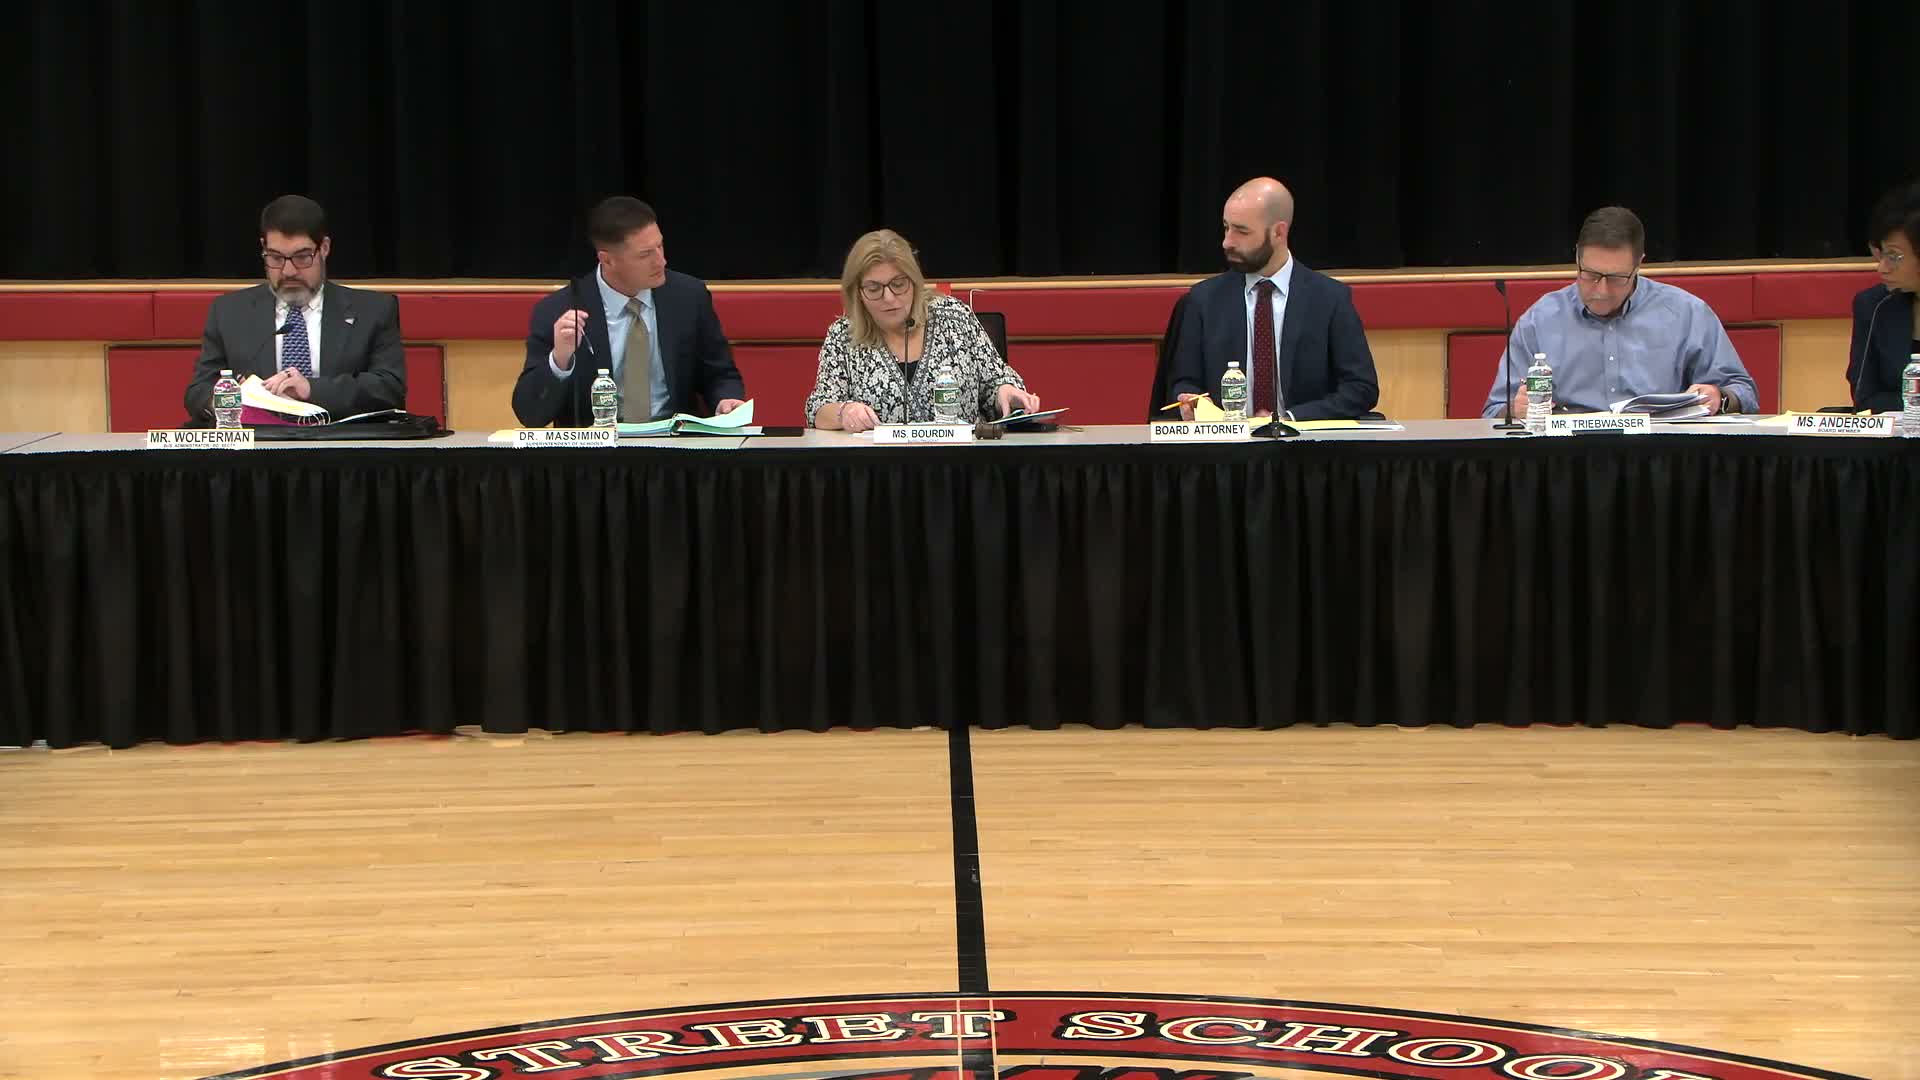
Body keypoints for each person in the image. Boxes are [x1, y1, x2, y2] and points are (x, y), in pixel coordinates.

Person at [1481, 206, 1757, 418]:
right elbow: (1494, 411)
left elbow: (1744, 392)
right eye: (1590, 274)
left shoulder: (1687, 313)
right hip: (1567, 458)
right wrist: (1515, 409)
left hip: (1660, 455)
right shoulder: (1539, 320)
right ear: (1577, 258)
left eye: (1616, 278)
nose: (1601, 290)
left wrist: (1719, 397)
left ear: (1639, 265)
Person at [513, 197, 744, 426]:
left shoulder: (689, 297)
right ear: (607, 260)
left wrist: (725, 399)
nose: (661, 261)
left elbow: (720, 373)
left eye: (660, 246)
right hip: (598, 444)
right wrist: (560, 359)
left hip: (675, 440)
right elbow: (530, 415)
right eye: (645, 254)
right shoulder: (560, 309)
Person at [1166, 177, 1378, 421]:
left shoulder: (1330, 299)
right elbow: (1185, 381)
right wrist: (1190, 401)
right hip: (1228, 440)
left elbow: (1361, 388)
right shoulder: (1203, 300)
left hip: (1302, 440)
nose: (1227, 242)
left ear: (1279, 232)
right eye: (1226, 227)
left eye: (1242, 231)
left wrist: (1288, 418)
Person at [184, 195, 405, 421]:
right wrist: (230, 400)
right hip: (260, 440)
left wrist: (312, 389)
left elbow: (389, 389)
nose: (288, 271)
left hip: (341, 439)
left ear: (324, 248)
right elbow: (199, 392)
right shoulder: (229, 312)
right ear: (263, 248)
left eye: (302, 257)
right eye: (276, 258)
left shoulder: (373, 311)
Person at [804, 229, 1038, 431]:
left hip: (963, 460)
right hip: (879, 464)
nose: (889, 297)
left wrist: (1005, 391)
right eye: (874, 288)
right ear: (857, 293)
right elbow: (817, 409)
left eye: (898, 284)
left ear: (915, 282)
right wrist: (844, 412)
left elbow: (996, 381)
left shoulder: (954, 317)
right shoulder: (844, 335)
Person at [1847, 181, 1920, 412]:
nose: (1882, 268)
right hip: (1900, 433)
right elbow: (1864, 398)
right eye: (1882, 255)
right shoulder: (1874, 306)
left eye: (1894, 256)